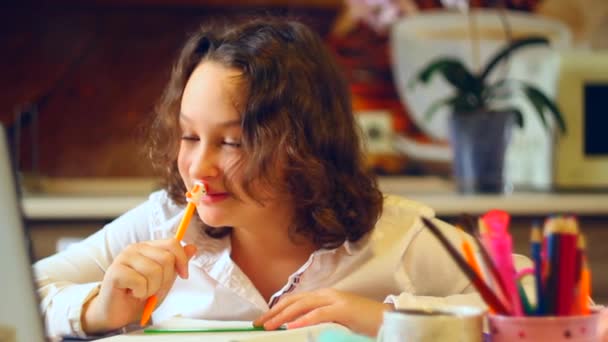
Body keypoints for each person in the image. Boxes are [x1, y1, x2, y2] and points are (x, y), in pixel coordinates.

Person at [34, 17, 532, 339]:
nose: (198, 168)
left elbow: (541, 300)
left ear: (303, 144)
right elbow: (17, 298)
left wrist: (383, 318)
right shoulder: (159, 225)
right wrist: (99, 309)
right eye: (189, 137)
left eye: (231, 142)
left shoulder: (396, 238)